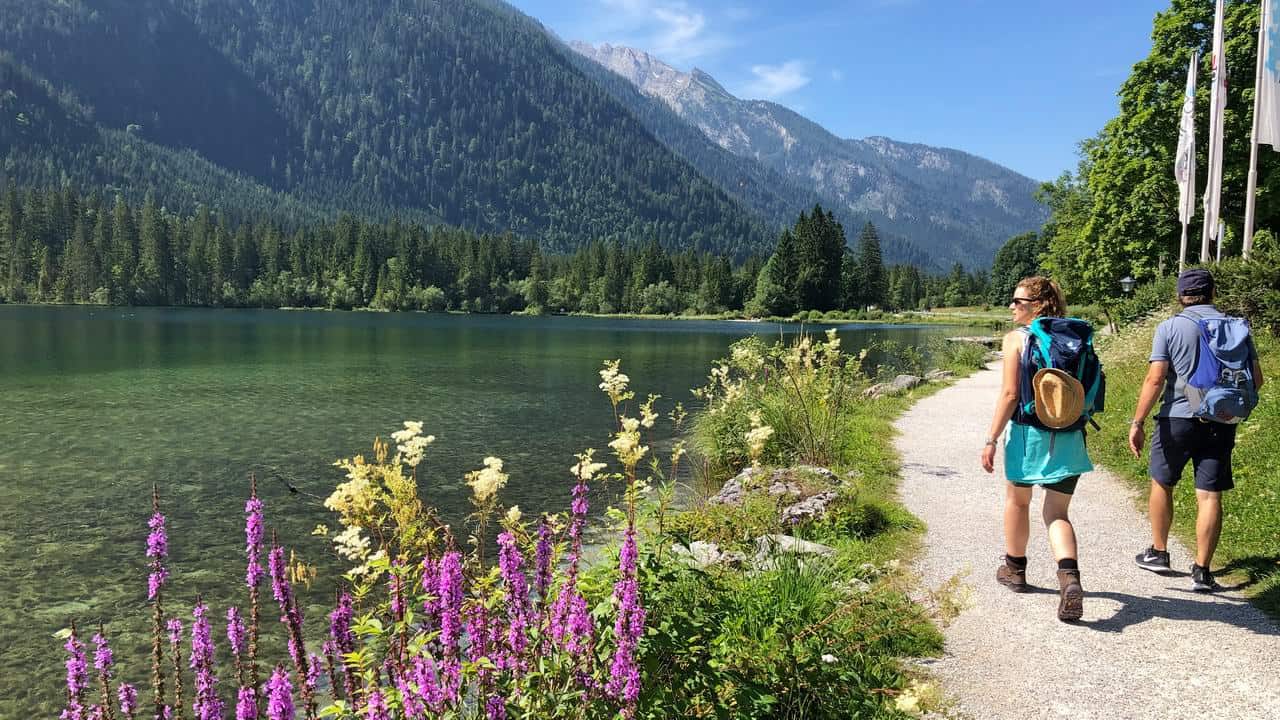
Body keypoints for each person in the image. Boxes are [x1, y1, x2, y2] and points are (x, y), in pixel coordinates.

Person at [1129, 269, 1264, 591]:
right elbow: (1256, 380)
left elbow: (1155, 378)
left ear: (1180, 296)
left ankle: (1159, 553)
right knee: (1209, 494)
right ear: (1213, 292)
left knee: (1162, 482)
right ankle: (1202, 571)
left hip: (1176, 419)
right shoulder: (1236, 327)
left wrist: (1137, 422)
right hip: (1221, 420)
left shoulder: (1169, 327)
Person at [980, 276, 1092, 622]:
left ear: (1038, 305)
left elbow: (1010, 394)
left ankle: (1015, 569)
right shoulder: (1075, 336)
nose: (1012, 306)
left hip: (1029, 436)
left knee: (1018, 501)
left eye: (1018, 301)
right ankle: (1069, 579)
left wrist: (991, 439)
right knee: (1057, 513)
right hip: (1070, 435)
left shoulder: (1016, 338)